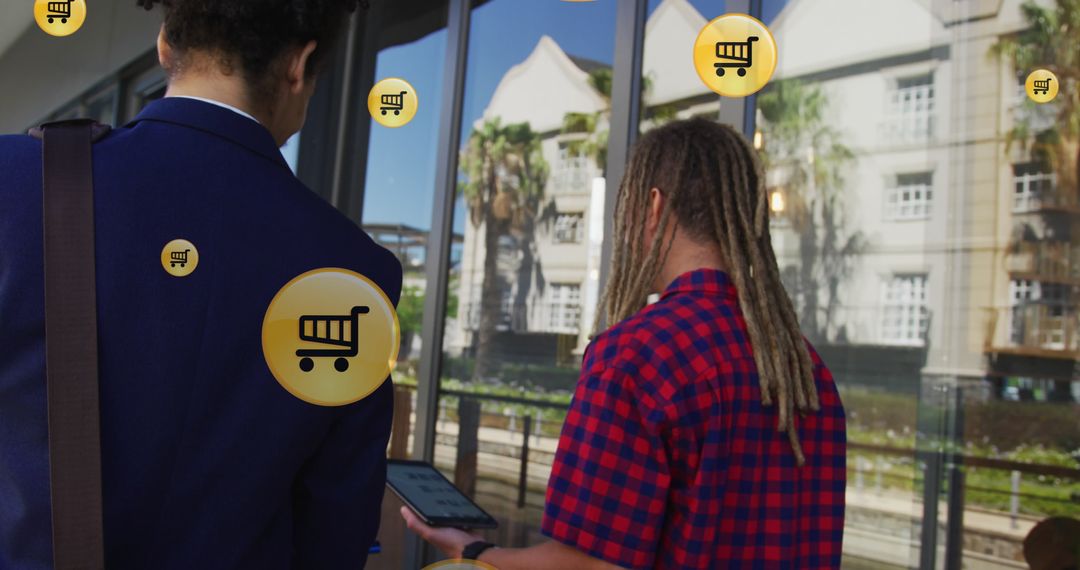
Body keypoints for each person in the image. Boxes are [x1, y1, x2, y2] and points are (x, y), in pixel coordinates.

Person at [0, 1, 401, 568]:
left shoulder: (16, 184)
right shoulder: (355, 267)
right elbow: (336, 529)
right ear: (299, 64)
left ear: (165, 43)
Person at [402, 118, 847, 569]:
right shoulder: (805, 371)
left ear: (653, 207)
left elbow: (585, 564)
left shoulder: (636, 355)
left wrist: (473, 551)